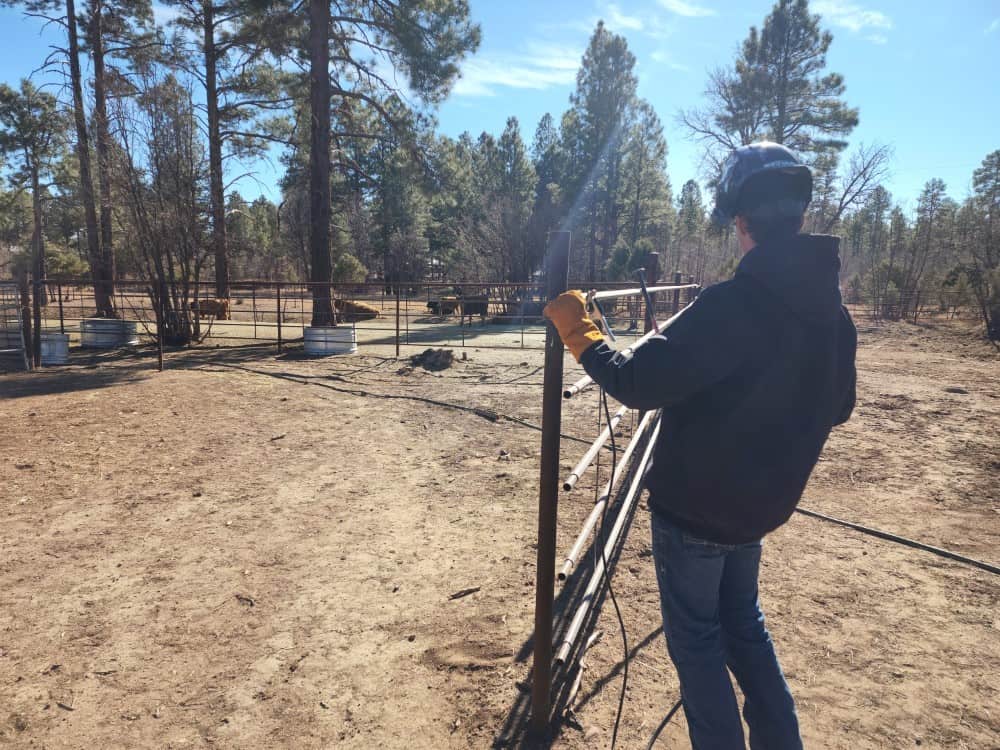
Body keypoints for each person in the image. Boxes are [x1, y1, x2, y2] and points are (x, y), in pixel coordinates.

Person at [544, 142, 857, 749]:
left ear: (740, 221)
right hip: (759, 510)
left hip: (696, 512)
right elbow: (836, 405)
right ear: (798, 217)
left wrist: (583, 334)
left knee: (697, 645)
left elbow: (635, 382)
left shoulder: (735, 303)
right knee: (744, 624)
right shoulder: (833, 314)